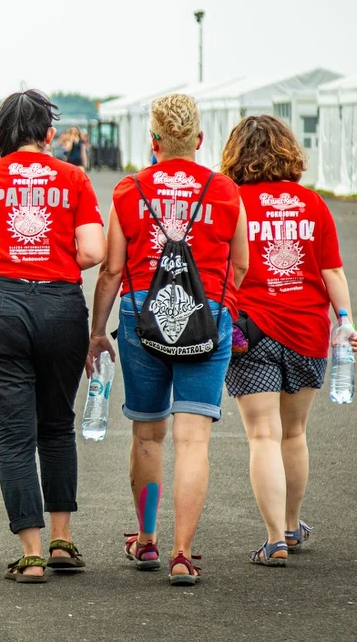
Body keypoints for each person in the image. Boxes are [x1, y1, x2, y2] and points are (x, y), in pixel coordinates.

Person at [88, 93, 249, 586]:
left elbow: (111, 269)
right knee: (193, 439)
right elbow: (241, 264)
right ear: (199, 139)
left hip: (142, 318)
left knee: (147, 436)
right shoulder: (224, 190)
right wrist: (219, 307)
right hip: (207, 318)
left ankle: (147, 538)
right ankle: (183, 553)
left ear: (153, 141)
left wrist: (97, 331)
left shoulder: (130, 189)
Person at [0, 90, 105, 583]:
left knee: (13, 436)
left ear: (1, 134)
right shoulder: (73, 177)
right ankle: (62, 540)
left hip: (0, 307)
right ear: (49, 134)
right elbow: (94, 250)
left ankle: (32, 553)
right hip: (61, 305)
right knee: (56, 425)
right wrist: (54, 256)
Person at [220, 115, 357, 566]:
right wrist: (345, 321)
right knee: (294, 433)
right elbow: (331, 270)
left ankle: (274, 538)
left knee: (263, 434)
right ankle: (293, 525)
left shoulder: (233, 200)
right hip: (307, 329)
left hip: (250, 330)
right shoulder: (312, 203)